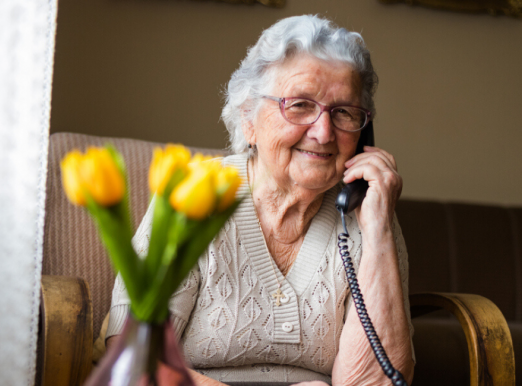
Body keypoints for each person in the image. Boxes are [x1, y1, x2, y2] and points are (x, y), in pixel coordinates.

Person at [105, 15, 415, 386]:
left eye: (344, 112)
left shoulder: (367, 212)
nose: (323, 132)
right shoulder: (193, 196)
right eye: (300, 105)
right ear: (248, 118)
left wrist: (378, 231)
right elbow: (135, 365)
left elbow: (376, 383)